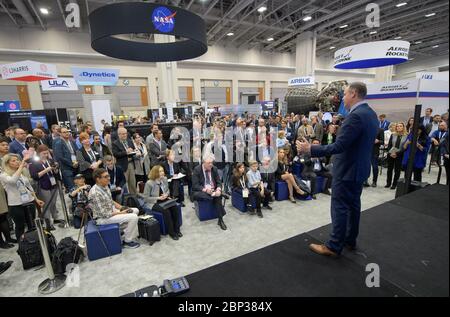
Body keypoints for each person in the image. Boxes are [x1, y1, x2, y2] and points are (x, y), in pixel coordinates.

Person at [297, 82, 378, 257]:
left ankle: (333, 246)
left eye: (345, 93)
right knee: (353, 206)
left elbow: (339, 146)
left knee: (340, 207)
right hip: (360, 169)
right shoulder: (371, 114)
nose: (342, 97)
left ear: (354, 94)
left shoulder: (355, 116)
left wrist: (310, 149)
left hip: (348, 170)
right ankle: (349, 240)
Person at [88, 168, 140, 249]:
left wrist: (122, 207)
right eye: (105, 177)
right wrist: (122, 213)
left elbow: (111, 201)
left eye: (108, 175)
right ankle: (127, 241)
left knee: (135, 210)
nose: (109, 178)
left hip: (111, 211)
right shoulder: (95, 193)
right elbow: (104, 214)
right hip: (102, 219)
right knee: (133, 217)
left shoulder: (105, 186)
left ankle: (124, 233)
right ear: (98, 179)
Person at [0, 153, 45, 241]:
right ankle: (23, 246)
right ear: (7, 163)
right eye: (13, 161)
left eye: (17, 160)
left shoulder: (21, 173)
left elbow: (29, 187)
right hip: (16, 205)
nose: (17, 162)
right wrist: (21, 167)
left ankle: (34, 243)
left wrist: (36, 199)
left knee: (32, 224)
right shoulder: (3, 175)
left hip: (29, 201)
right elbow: (13, 181)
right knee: (20, 226)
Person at [142, 165, 182, 240]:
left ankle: (177, 230)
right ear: (155, 173)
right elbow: (145, 198)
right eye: (160, 171)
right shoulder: (149, 183)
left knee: (175, 208)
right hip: (154, 202)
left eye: (162, 171)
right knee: (166, 211)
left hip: (165, 199)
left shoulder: (164, 179)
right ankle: (172, 233)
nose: (162, 173)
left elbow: (168, 190)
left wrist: (166, 194)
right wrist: (158, 198)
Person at [29, 145, 62, 231]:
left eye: (47, 153)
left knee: (54, 202)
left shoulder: (50, 160)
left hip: (53, 184)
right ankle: (48, 223)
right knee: (47, 204)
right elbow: (35, 176)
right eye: (44, 153)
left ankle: (55, 217)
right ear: (38, 153)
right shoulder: (34, 163)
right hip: (43, 185)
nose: (46, 155)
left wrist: (55, 169)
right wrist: (47, 169)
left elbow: (56, 173)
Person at [192, 156, 228, 231]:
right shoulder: (197, 170)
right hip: (202, 191)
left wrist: (218, 189)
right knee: (201, 195)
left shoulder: (214, 168)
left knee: (217, 196)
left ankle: (220, 220)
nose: (211, 164)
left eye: (212, 162)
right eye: (209, 163)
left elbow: (218, 181)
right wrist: (205, 190)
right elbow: (195, 185)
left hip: (213, 189)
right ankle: (219, 195)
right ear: (203, 163)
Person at [0, 137, 16, 249]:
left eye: (7, 144)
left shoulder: (10, 157)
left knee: (5, 215)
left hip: (8, 188)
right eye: (3, 145)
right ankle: (1, 242)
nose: (6, 146)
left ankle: (9, 237)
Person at [112, 127, 137, 195]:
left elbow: (134, 149)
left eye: (125, 133)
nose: (125, 135)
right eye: (123, 134)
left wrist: (134, 151)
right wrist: (126, 152)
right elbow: (115, 154)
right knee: (124, 184)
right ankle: (124, 199)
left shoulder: (129, 141)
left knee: (132, 183)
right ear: (119, 134)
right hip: (122, 165)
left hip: (131, 163)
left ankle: (134, 198)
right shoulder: (115, 143)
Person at [385, 122, 408, 190]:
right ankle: (388, 183)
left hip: (400, 155)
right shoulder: (393, 135)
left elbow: (405, 148)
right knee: (389, 169)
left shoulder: (406, 136)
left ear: (403, 127)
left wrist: (396, 153)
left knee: (397, 170)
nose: (399, 127)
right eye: (397, 126)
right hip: (391, 154)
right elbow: (389, 145)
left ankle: (394, 184)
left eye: (400, 126)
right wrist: (391, 153)